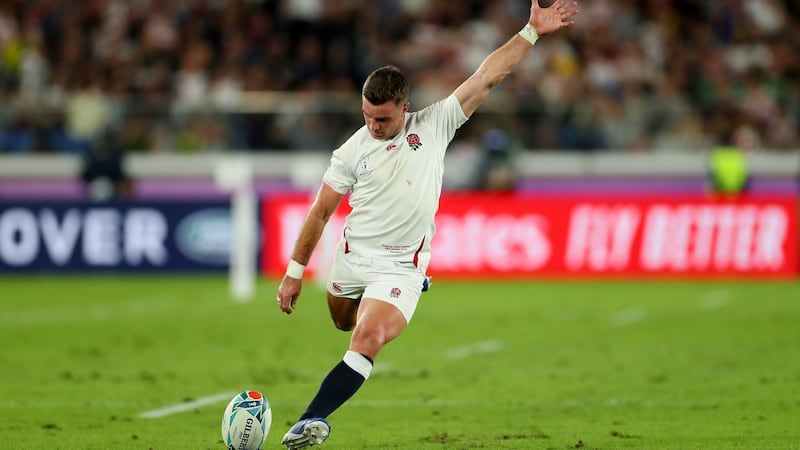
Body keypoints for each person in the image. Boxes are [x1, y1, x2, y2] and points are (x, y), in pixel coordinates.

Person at [275, 1, 579, 448]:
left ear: (405, 107)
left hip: (400, 267)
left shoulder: (434, 125)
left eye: (382, 118)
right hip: (353, 257)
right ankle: (374, 307)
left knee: (368, 336)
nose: (374, 126)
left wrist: (530, 33)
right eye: (367, 116)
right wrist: (294, 273)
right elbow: (320, 212)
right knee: (344, 323)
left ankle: (309, 422)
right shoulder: (351, 151)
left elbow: (486, 77)